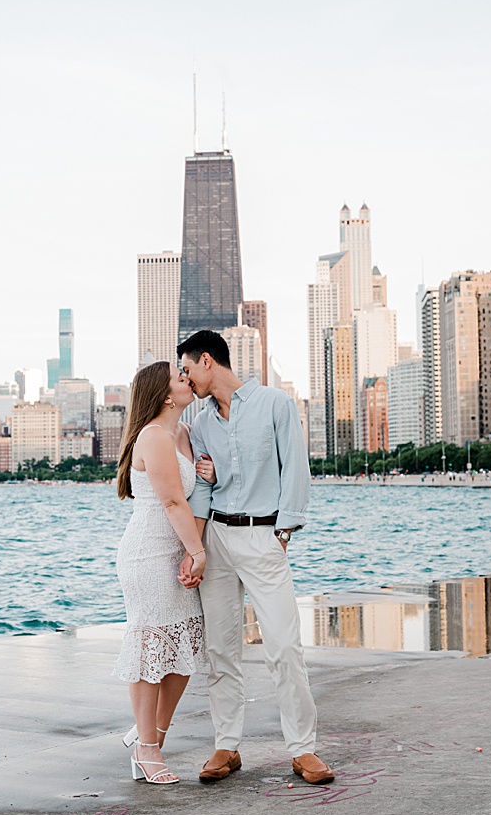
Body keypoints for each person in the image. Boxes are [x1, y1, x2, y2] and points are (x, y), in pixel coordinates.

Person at [177, 330, 335, 786]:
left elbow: (297, 471)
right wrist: (198, 548)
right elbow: (206, 487)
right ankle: (226, 745)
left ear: (208, 361)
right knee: (220, 649)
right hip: (219, 539)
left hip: (265, 536)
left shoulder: (275, 404)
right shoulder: (201, 422)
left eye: (188, 369)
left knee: (284, 646)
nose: (186, 380)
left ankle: (302, 748)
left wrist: (283, 532)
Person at [113, 360, 208, 784]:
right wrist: (198, 552)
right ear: (166, 394)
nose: (188, 380)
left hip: (179, 551)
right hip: (149, 555)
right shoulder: (152, 436)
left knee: (182, 652)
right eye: (180, 377)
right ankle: (147, 750)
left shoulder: (184, 434)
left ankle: (151, 737)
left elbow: (193, 493)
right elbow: (171, 502)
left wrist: (211, 474)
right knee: (151, 648)